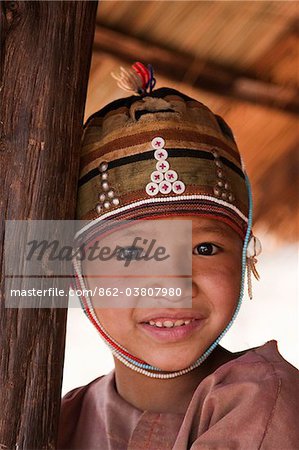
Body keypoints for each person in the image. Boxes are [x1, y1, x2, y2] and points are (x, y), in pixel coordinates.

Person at [58, 63, 299, 449]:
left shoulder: (263, 399)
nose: (173, 285)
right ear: (77, 273)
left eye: (204, 249)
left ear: (244, 257)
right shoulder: (60, 419)